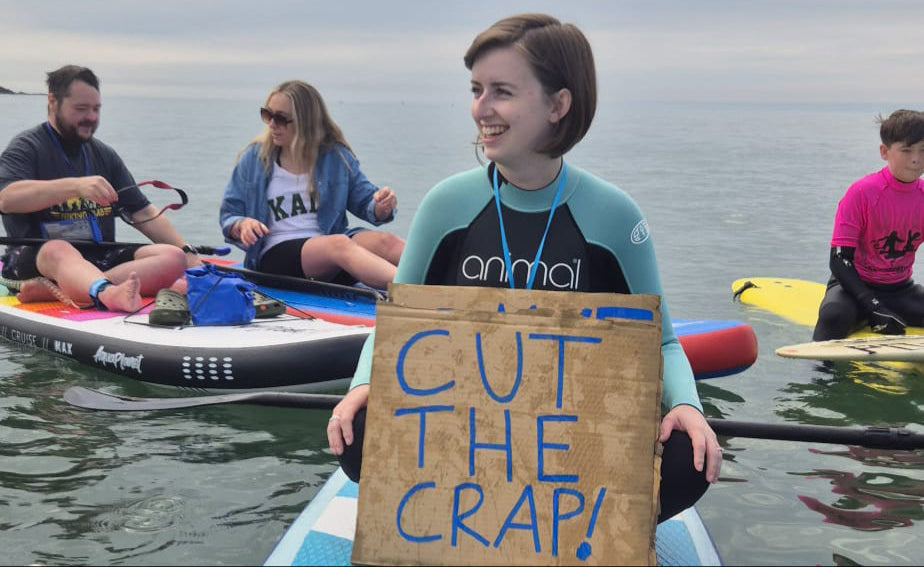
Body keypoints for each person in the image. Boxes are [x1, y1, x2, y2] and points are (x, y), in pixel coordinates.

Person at [326, 13, 723, 523]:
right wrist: (362, 386)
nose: (481, 109)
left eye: (502, 92)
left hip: (575, 455)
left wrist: (687, 406)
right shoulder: (447, 205)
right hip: (465, 444)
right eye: (476, 89)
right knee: (358, 434)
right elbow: (398, 323)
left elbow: (662, 341)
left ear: (558, 105)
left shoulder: (613, 215)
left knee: (690, 464)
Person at [0, 65, 200, 312]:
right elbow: (7, 199)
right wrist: (75, 187)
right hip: (38, 258)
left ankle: (72, 286)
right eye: (81, 109)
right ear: (52, 102)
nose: (92, 117)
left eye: (96, 109)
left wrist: (191, 257)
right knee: (58, 249)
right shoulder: (26, 147)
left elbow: (143, 213)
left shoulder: (103, 154)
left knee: (172, 257)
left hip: (97, 256)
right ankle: (106, 293)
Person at [219, 80, 405, 290]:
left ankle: (445, 280)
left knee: (387, 242)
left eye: (280, 118)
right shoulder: (254, 158)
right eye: (267, 115)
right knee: (339, 245)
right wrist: (242, 225)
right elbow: (229, 214)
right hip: (276, 257)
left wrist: (381, 206)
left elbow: (366, 203)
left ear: (305, 122)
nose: (271, 124)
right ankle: (418, 292)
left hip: (329, 250)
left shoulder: (335, 157)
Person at [813, 109, 924, 341]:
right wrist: (873, 306)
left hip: (900, 290)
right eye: (906, 150)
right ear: (884, 151)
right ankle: (821, 375)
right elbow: (839, 261)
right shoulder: (862, 193)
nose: (916, 159)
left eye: (923, 150)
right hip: (853, 289)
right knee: (833, 316)